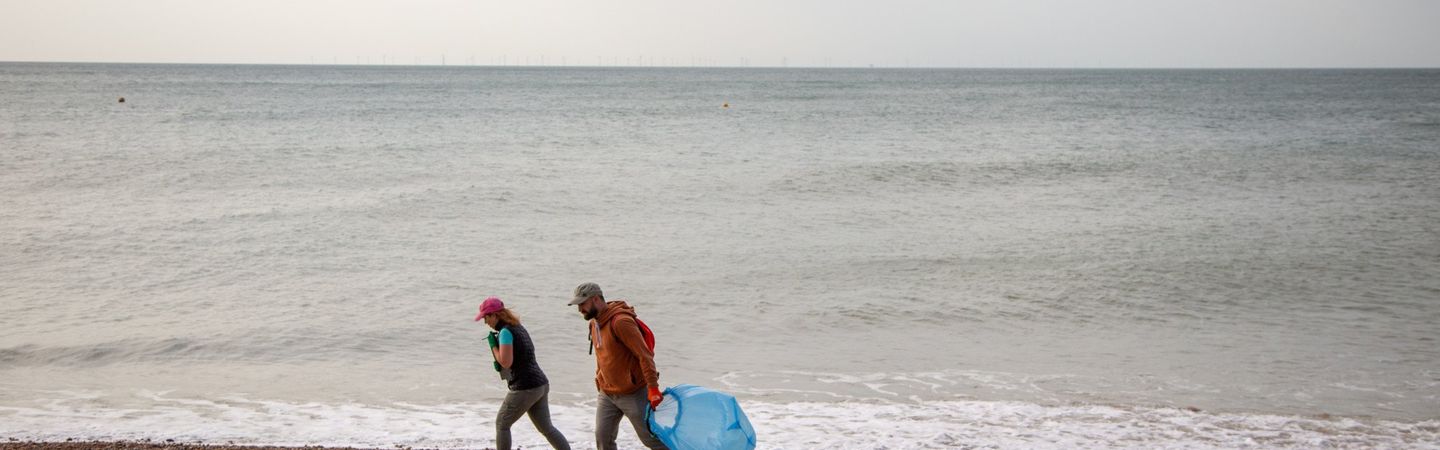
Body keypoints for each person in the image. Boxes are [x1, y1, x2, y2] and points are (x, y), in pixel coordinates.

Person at [568, 282, 668, 450]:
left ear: (596, 299)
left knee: (650, 440)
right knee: (603, 439)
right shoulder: (594, 323)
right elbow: (602, 354)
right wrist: (599, 378)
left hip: (633, 393)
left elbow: (644, 356)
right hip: (607, 393)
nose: (580, 309)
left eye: (582, 304)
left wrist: (653, 388)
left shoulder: (621, 322)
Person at [476, 296, 570, 450]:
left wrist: (493, 346)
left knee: (502, 424)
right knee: (547, 428)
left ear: (495, 315)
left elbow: (506, 362)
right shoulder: (518, 327)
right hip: (540, 384)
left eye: (486, 318)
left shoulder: (505, 332)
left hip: (525, 387)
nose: (485, 322)